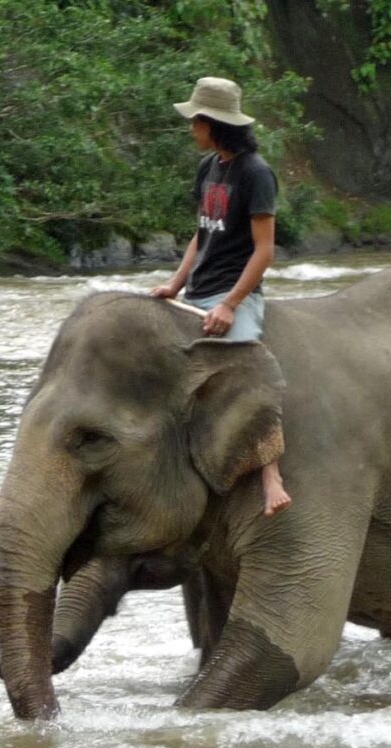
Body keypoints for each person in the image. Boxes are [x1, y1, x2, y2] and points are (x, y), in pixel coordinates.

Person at [149, 76, 292, 517]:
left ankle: (271, 474)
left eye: (196, 121)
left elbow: (265, 251)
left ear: (214, 124)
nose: (191, 128)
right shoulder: (208, 167)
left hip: (235, 293)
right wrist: (175, 285)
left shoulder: (256, 174)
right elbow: (202, 234)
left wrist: (231, 303)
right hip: (198, 290)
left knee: (248, 371)